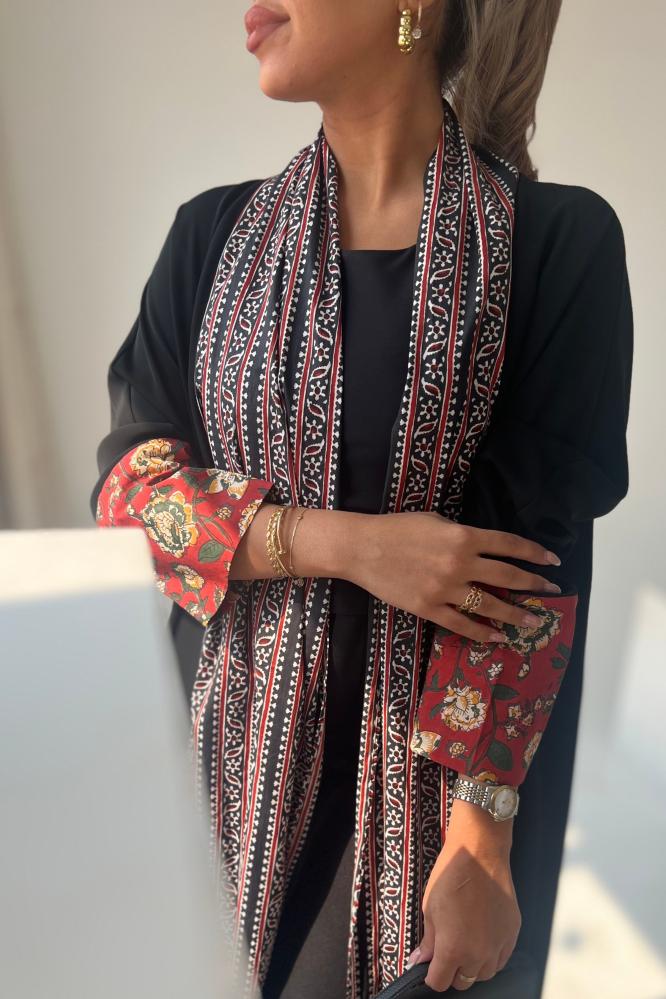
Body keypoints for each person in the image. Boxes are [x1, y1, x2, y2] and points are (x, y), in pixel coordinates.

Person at [90, 1, 633, 997]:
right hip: (210, 786)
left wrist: (480, 838)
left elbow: (533, 560)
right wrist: (349, 545)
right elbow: (132, 501)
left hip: (443, 815)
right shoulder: (210, 238)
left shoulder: (556, 245)